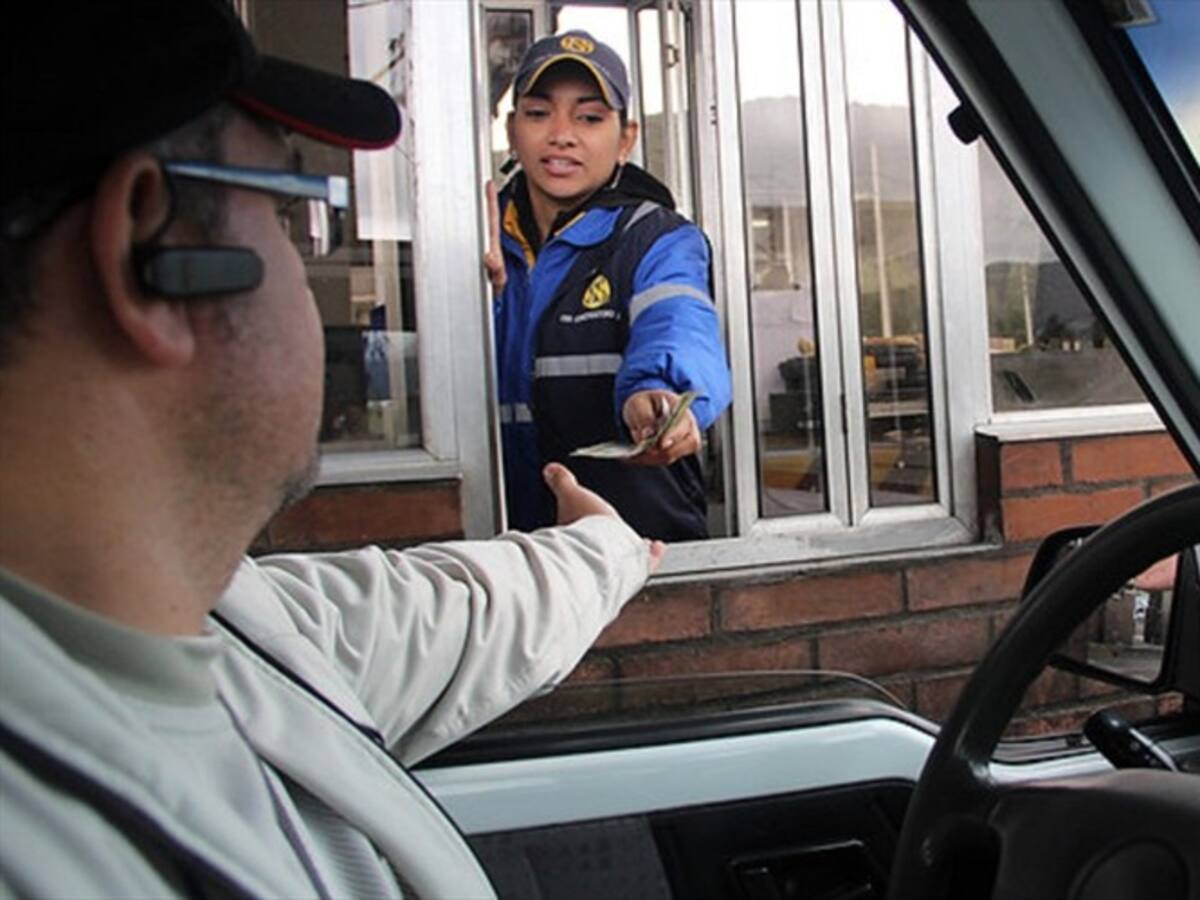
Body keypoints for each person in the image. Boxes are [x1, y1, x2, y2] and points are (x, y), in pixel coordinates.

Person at [0, 3, 663, 898]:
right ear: (145, 252)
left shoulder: (207, 618)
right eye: (286, 216)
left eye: (591, 116)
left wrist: (605, 547)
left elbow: (419, 613)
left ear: (624, 137)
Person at [484, 30, 733, 543]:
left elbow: (678, 324)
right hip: (503, 556)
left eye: (589, 117)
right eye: (538, 113)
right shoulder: (473, 240)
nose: (561, 134)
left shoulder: (657, 239)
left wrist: (659, 397)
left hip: (637, 551)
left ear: (626, 139)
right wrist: (483, 296)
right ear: (512, 130)